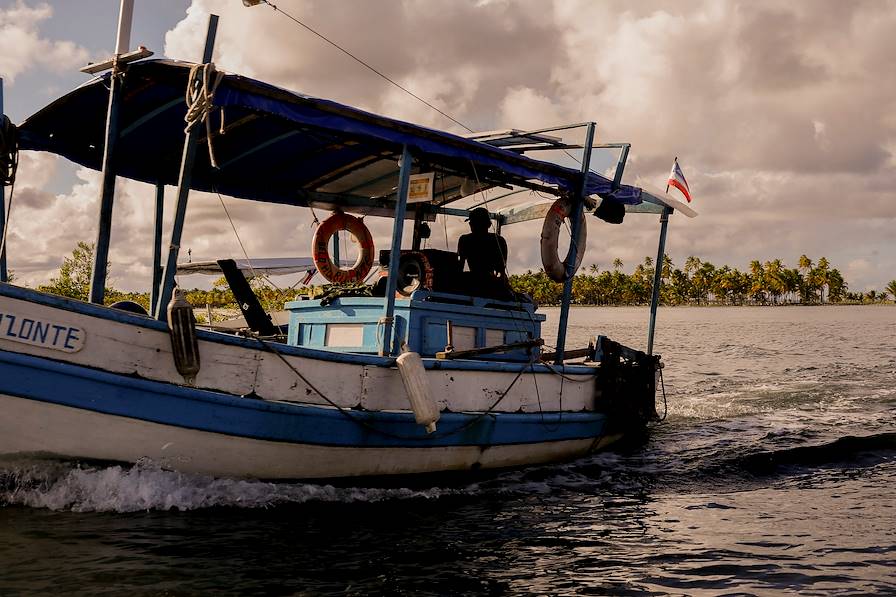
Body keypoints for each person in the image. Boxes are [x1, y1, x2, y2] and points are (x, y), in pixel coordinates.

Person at [457, 207, 511, 297]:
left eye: (475, 223)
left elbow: (459, 267)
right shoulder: (499, 240)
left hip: (485, 283)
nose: (472, 225)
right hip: (488, 283)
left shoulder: (465, 240)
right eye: (473, 223)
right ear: (489, 224)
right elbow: (501, 270)